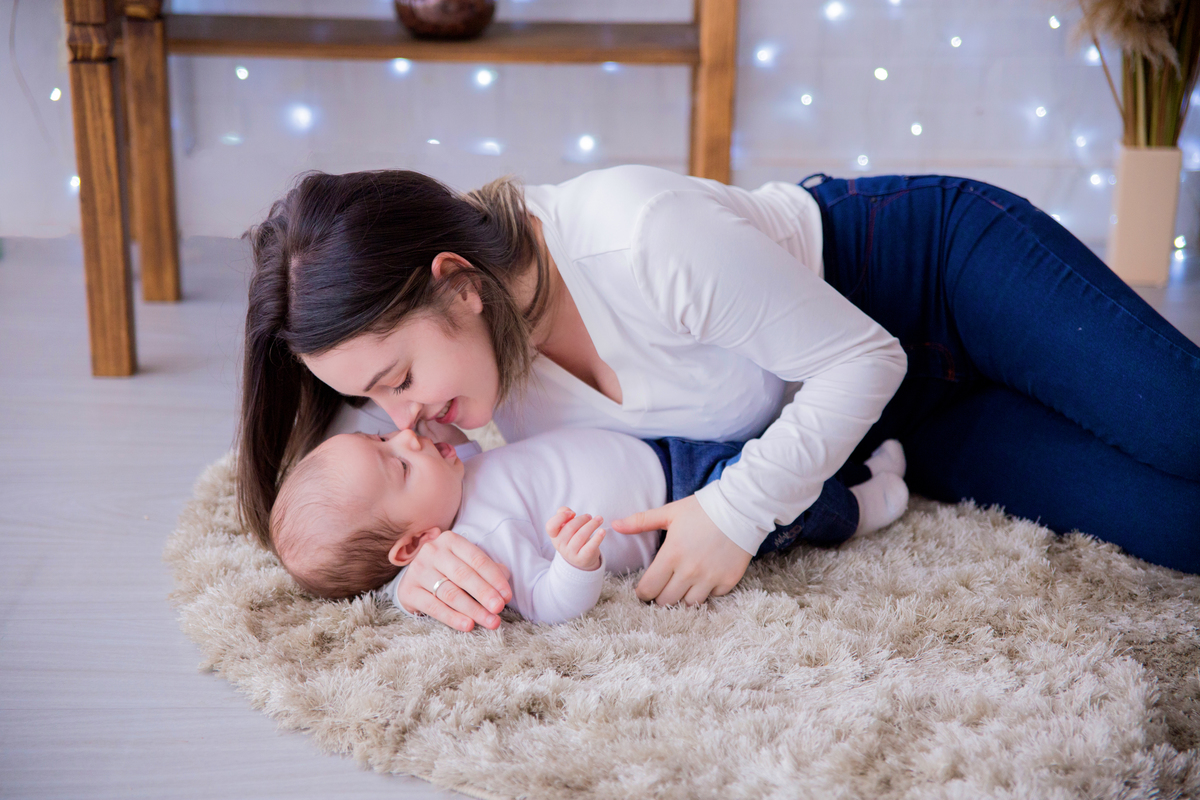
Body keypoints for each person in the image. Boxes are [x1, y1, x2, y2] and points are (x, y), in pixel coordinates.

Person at [238, 165, 1200, 634]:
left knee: (1181, 425)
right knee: (1180, 525)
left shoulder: (637, 238)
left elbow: (863, 356)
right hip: (885, 423)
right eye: (379, 402)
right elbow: (356, 492)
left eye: (399, 382)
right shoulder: (465, 380)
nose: (406, 421)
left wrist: (735, 511)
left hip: (929, 281)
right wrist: (414, 570)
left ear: (459, 283)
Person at [268, 425, 909, 623]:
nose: (407, 436)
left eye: (385, 436)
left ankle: (858, 466)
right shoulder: (478, 546)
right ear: (414, 544)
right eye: (398, 465)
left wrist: (435, 452)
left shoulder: (451, 484)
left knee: (772, 449)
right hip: (681, 509)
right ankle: (868, 506)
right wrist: (577, 567)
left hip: (659, 453)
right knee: (788, 501)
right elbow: (546, 606)